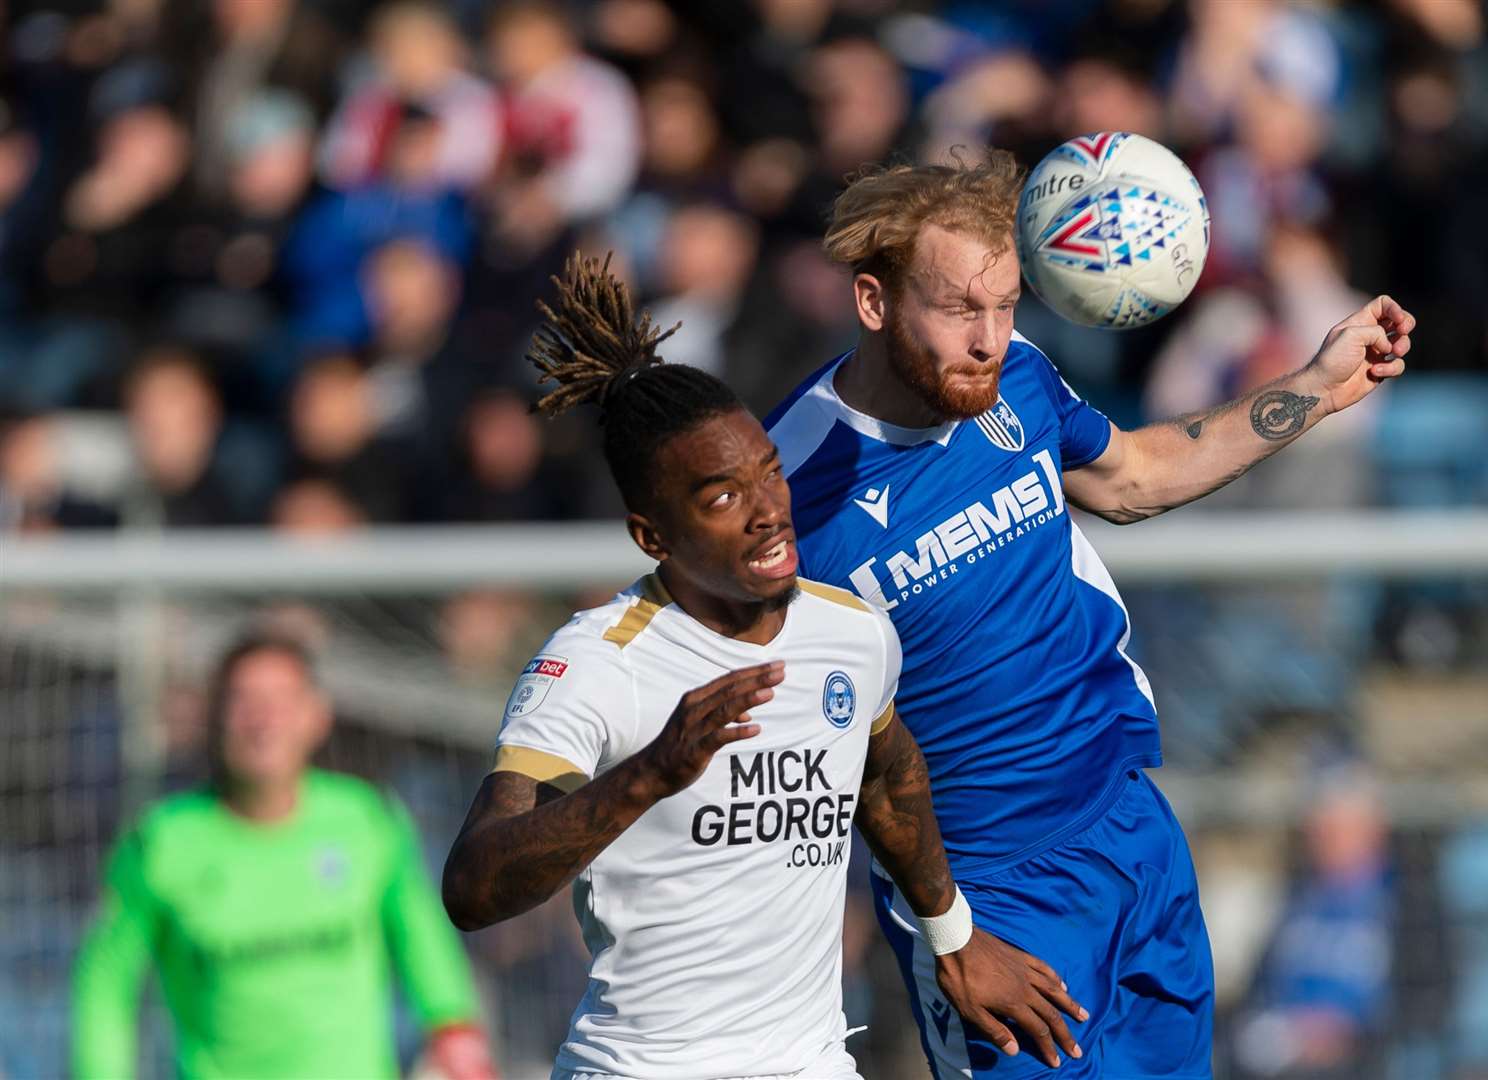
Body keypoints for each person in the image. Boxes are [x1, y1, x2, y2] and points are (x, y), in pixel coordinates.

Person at [764, 150, 1414, 1078]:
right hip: (990, 905)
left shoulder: (1017, 379)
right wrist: (949, 932)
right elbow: (804, 738)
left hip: (1130, 832)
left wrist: (1317, 386)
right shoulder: (789, 490)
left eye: (1006, 306)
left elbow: (1134, 476)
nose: (989, 338)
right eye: (958, 310)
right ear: (873, 302)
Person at [441, 254, 1086, 1080]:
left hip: (810, 1063)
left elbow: (886, 780)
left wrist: (951, 936)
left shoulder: (849, 631)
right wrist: (648, 776)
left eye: (769, 473)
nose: (767, 511)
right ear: (651, 535)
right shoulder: (597, 662)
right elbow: (474, 885)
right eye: (721, 497)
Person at [72, 632, 495, 1079]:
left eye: (281, 700)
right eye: (244, 701)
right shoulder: (161, 842)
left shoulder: (366, 820)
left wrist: (454, 1030)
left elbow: (422, 937)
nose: (262, 720)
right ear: (214, 717)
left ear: (317, 716)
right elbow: (105, 985)